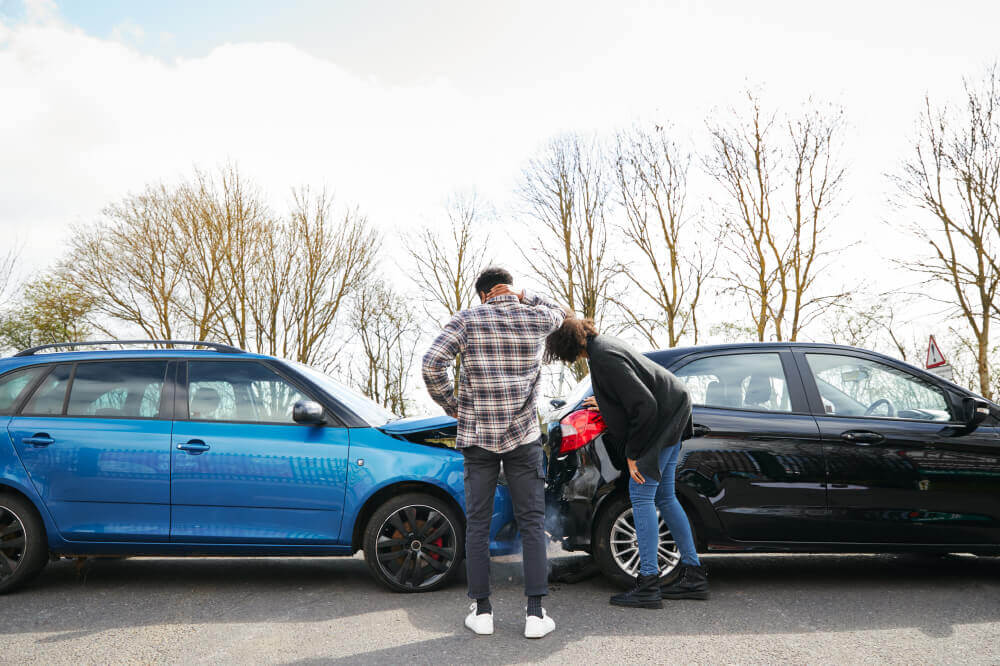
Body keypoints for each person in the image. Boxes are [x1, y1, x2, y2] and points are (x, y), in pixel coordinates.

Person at [422, 267, 566, 638]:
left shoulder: (468, 319)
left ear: (482, 294)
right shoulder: (535, 316)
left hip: (477, 436)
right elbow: (564, 314)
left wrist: (452, 405)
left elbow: (432, 363)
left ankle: (482, 611)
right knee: (532, 523)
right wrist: (527, 297)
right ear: (509, 289)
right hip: (523, 437)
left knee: (478, 524)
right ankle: (535, 614)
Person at [544, 317, 708, 608]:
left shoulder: (603, 357)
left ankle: (648, 584)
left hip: (662, 418)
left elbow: (644, 406)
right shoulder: (603, 346)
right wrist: (606, 404)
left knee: (641, 495)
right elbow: (631, 394)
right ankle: (694, 575)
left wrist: (634, 454)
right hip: (674, 410)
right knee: (665, 497)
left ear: (567, 346)